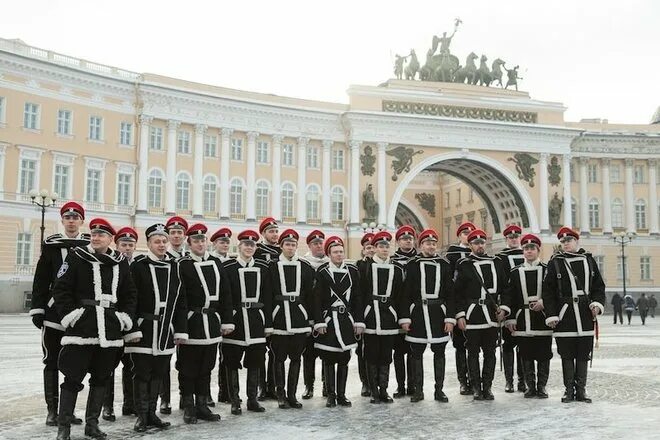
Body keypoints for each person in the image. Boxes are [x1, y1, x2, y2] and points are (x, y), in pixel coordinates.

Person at [51, 218, 139, 440]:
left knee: (101, 379)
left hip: (110, 330)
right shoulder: (76, 257)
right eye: (94, 233)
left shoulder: (120, 262)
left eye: (101, 234)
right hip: (82, 329)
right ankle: (64, 428)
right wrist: (72, 316)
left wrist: (124, 318)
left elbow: (130, 295)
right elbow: (61, 290)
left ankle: (92, 425)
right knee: (72, 378)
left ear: (110, 239)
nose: (96, 237)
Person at [30, 201, 89, 427]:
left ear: (82, 221)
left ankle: (68, 411)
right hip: (54, 314)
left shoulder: (87, 246)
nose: (72, 221)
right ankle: (52, 411)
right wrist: (38, 309)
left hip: (79, 313)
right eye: (68, 217)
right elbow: (41, 280)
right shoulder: (52, 246)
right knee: (52, 362)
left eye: (76, 217)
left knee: (75, 363)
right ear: (63, 220)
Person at [125, 223, 188, 431]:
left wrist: (180, 329)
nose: (161, 245)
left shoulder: (174, 267)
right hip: (144, 328)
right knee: (142, 373)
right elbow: (130, 300)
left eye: (164, 241)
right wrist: (132, 328)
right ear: (149, 243)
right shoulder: (138, 266)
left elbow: (181, 302)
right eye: (157, 241)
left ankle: (152, 413)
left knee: (160, 372)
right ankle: (141, 415)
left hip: (165, 330)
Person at [176, 223, 234, 424]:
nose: (200, 244)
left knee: (207, 366)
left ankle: (202, 405)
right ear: (189, 243)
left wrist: (227, 321)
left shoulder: (217, 263)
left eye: (202, 240)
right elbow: (180, 299)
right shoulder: (182, 265)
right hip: (192, 323)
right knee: (188, 367)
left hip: (212, 322)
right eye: (195, 240)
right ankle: (188, 406)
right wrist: (181, 329)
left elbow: (226, 294)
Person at [543, 227, 605, 404]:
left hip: (585, 314)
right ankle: (569, 390)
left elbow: (598, 287)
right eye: (562, 242)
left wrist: (597, 304)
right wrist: (552, 314)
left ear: (577, 241)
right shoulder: (555, 263)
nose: (566, 244)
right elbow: (548, 292)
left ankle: (581, 391)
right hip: (565, 315)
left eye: (569, 240)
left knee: (583, 354)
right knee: (567, 354)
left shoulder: (589, 260)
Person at [222, 229, 274, 415]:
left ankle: (252, 399)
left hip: (256, 320)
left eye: (253, 245)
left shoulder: (263, 267)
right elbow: (225, 298)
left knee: (256, 361)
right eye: (246, 245)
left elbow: (268, 297)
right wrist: (227, 321)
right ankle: (235, 401)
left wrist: (268, 324)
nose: (249, 248)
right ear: (240, 246)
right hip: (236, 321)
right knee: (231, 362)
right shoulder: (227, 267)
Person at [403, 229, 455, 403]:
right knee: (416, 353)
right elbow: (406, 293)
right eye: (427, 243)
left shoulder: (444, 264)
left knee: (439, 352)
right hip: (417, 313)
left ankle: (439, 390)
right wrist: (405, 317)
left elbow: (450, 293)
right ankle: (418, 390)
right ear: (421, 245)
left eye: (433, 243)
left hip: (437, 314)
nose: (431, 246)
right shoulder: (412, 264)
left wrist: (450, 318)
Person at [313, 236, 365, 408]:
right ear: (329, 254)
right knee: (328, 359)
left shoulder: (352, 271)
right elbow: (317, 300)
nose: (339, 255)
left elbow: (358, 299)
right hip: (329, 321)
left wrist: (358, 321)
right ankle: (331, 395)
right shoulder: (322, 272)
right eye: (335, 252)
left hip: (346, 320)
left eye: (341, 251)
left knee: (344, 359)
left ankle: (342, 395)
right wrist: (319, 322)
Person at [499, 234, 552, 399]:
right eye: (526, 249)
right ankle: (530, 386)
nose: (529, 251)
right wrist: (510, 318)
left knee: (543, 354)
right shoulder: (515, 273)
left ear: (538, 250)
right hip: (522, 319)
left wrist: (544, 301)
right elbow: (510, 297)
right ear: (523, 251)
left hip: (542, 318)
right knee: (526, 354)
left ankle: (542, 387)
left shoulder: (546, 270)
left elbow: (553, 292)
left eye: (532, 248)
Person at [454, 229, 504, 401]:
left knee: (490, 352)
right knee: (473, 353)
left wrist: (503, 308)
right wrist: (460, 315)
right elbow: (457, 293)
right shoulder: (464, 264)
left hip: (491, 315)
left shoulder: (496, 262)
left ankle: (487, 386)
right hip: (472, 314)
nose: (480, 245)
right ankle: (476, 386)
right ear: (470, 245)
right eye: (476, 243)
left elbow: (505, 289)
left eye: (482, 242)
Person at [269, 229, 314, 409]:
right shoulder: (272, 267)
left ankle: (292, 394)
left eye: (293, 244)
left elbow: (310, 296)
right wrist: (269, 321)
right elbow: (267, 294)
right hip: (279, 317)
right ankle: (280, 394)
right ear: (281, 246)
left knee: (296, 358)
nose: (290, 247)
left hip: (299, 318)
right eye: (287, 244)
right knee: (278, 358)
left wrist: (310, 320)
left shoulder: (305, 267)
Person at [361, 231, 407, 404]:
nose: (384, 249)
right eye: (381, 246)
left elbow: (401, 296)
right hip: (371, 315)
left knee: (386, 354)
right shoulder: (365, 267)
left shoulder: (396, 269)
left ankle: (383, 389)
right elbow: (360, 294)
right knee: (372, 354)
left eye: (387, 246)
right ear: (375, 248)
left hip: (389, 316)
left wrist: (402, 317)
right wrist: (361, 317)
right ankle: (373, 390)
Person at [102, 227, 139, 422]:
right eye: (123, 245)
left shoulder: (139, 265)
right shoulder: (110, 263)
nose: (127, 248)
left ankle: (129, 403)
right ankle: (107, 406)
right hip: (112, 321)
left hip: (131, 322)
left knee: (131, 364)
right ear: (116, 245)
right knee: (108, 365)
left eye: (130, 245)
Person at [160, 215, 189, 414]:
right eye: (173, 232)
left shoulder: (188, 258)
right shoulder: (164, 257)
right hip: (166, 314)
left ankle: (185, 396)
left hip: (187, 315)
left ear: (185, 236)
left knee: (186, 360)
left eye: (180, 232)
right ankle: (165, 399)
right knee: (163, 359)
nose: (176, 236)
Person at [444, 221, 476, 396]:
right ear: (459, 236)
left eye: (470, 231)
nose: (467, 234)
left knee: (474, 345)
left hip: (476, 308)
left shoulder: (478, 253)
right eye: (465, 232)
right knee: (460, 345)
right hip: (459, 304)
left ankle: (475, 379)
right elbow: (450, 282)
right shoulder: (453, 254)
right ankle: (463, 381)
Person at [494, 225, 526, 394]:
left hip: (526, 309)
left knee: (523, 345)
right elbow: (502, 287)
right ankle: (509, 381)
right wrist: (507, 315)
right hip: (509, 307)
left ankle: (523, 380)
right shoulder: (500, 259)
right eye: (511, 237)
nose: (514, 239)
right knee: (508, 346)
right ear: (506, 239)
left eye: (516, 236)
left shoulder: (527, 253)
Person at [253, 217, 281, 401]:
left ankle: (274, 386)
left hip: (278, 304)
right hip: (262, 302)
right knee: (261, 349)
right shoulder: (258, 251)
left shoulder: (281, 251)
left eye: (276, 231)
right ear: (263, 233)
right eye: (271, 231)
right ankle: (262, 387)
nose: (274, 234)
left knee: (276, 350)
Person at [390, 225, 417, 398]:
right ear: (398, 241)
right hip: (397, 310)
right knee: (399, 352)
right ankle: (401, 385)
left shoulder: (420, 259)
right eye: (404, 239)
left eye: (410, 239)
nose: (408, 241)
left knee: (414, 351)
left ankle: (413, 385)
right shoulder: (392, 261)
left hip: (416, 310)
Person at [301, 230, 328, 400]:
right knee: (308, 353)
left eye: (321, 243)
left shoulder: (329, 263)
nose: (319, 246)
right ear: (309, 246)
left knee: (327, 351)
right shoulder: (304, 264)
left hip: (326, 315)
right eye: (315, 243)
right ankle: (308, 386)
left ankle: (327, 385)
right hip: (309, 314)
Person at [209, 227, 233, 405]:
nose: (224, 245)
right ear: (214, 244)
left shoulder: (231, 263)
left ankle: (225, 391)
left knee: (225, 355)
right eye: (221, 242)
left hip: (225, 314)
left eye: (227, 242)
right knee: (207, 357)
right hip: (209, 314)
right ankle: (207, 393)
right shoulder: (210, 261)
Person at [354, 232, 375, 397]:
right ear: (363, 250)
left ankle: (377, 382)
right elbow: (357, 294)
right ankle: (365, 383)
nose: (371, 250)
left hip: (380, 313)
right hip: (363, 312)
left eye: (373, 247)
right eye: (368, 247)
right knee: (362, 350)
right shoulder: (358, 266)